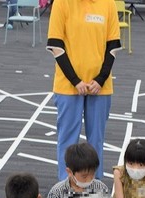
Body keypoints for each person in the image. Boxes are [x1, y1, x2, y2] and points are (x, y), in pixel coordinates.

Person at [46, 0, 122, 181]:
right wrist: (75, 80)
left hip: (100, 87)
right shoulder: (62, 3)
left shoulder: (108, 4)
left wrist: (101, 79)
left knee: (96, 141)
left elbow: (112, 46)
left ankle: (95, 186)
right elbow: (56, 45)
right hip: (68, 86)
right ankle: (65, 186)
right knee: (67, 140)